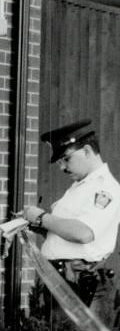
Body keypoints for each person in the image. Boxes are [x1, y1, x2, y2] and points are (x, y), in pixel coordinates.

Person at [20, 119, 120, 317]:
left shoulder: (105, 189)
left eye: (66, 159)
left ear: (87, 151)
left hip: (80, 284)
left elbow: (83, 233)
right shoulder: (81, 187)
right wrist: (37, 225)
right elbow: (65, 232)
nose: (62, 167)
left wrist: (41, 217)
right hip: (63, 280)